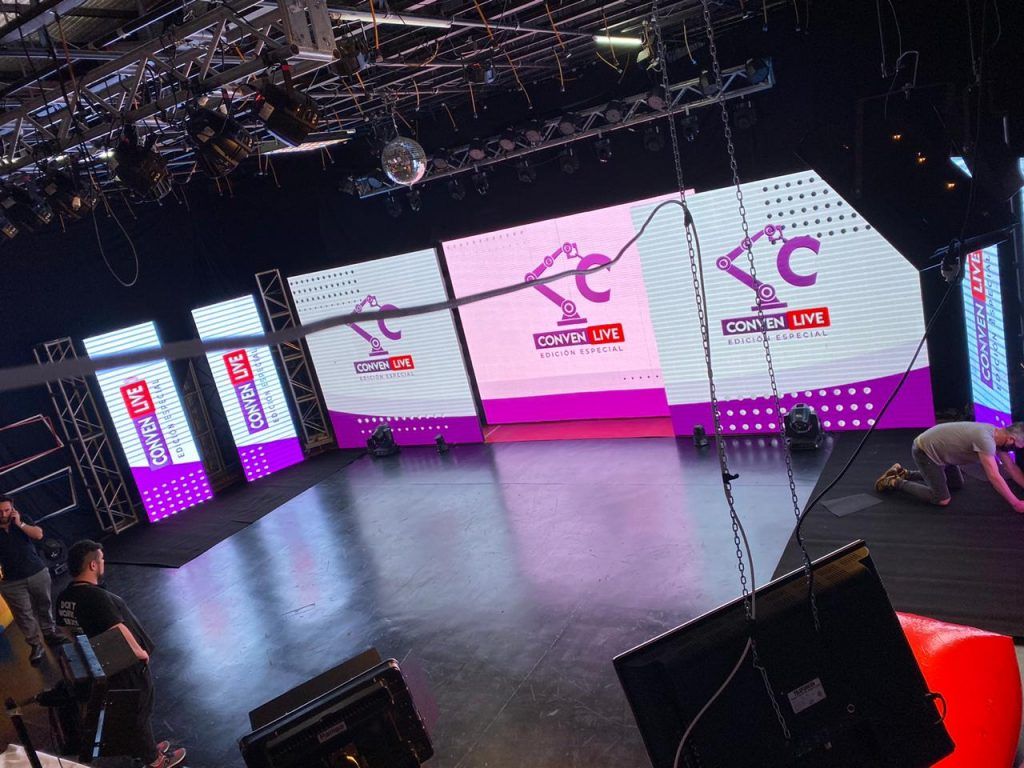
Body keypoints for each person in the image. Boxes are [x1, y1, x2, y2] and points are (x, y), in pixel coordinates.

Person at [57, 540, 186, 768]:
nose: (103, 562)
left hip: (101, 662)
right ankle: (154, 761)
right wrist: (139, 653)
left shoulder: (64, 598)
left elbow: (65, 630)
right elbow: (117, 628)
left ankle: (146, 748)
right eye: (101, 559)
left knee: (132, 709)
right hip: (123, 663)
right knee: (139, 709)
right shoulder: (94, 596)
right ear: (93, 565)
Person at [875, 421, 1024, 511]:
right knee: (942, 499)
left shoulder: (997, 436)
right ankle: (894, 481)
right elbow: (994, 476)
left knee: (956, 484)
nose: (1014, 450)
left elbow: (1011, 468)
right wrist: (1016, 503)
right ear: (1011, 439)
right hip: (924, 451)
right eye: (1017, 447)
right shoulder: (986, 440)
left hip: (944, 455)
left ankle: (905, 473)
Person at [0, 495, 64, 665]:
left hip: (36, 571)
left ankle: (50, 633)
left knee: (45, 604)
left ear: (12, 508)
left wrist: (20, 523)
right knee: (23, 614)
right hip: (11, 580)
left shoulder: (23, 519)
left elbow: (38, 535)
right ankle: (35, 645)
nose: (3, 514)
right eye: (0, 511)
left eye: (6, 510)